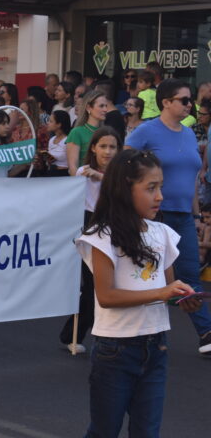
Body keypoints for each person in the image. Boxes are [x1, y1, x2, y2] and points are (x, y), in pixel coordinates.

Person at [75, 149, 201, 437]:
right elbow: (107, 296)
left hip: (156, 345)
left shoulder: (162, 233)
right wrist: (163, 292)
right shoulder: (102, 235)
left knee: (147, 431)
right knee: (105, 430)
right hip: (115, 349)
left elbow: (168, 289)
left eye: (161, 187)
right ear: (125, 188)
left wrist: (183, 298)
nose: (160, 196)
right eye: (150, 188)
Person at [126, 79, 211, 355]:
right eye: (184, 100)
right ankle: (142, 335)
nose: (190, 105)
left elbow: (192, 180)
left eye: (190, 100)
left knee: (189, 274)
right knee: (150, 276)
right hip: (154, 215)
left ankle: (206, 333)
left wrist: (196, 215)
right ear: (166, 102)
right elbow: (122, 166)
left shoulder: (188, 134)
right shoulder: (146, 131)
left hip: (184, 215)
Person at [60, 126, 122, 353]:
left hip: (116, 226)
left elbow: (122, 192)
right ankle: (74, 335)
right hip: (90, 225)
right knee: (92, 286)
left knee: (114, 284)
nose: (108, 151)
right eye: (103, 146)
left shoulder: (122, 174)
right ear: (94, 148)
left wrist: (100, 176)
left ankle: (104, 335)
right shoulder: (83, 171)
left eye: (112, 147)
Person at [66, 90, 109, 176]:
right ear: (88, 108)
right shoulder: (77, 132)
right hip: (85, 181)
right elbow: (73, 167)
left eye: (106, 106)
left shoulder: (107, 133)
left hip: (105, 181)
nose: (105, 109)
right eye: (101, 106)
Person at [46, 110, 71, 176]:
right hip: (51, 172)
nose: (48, 123)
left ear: (59, 124)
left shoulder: (68, 140)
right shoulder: (51, 140)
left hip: (64, 174)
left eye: (51, 121)